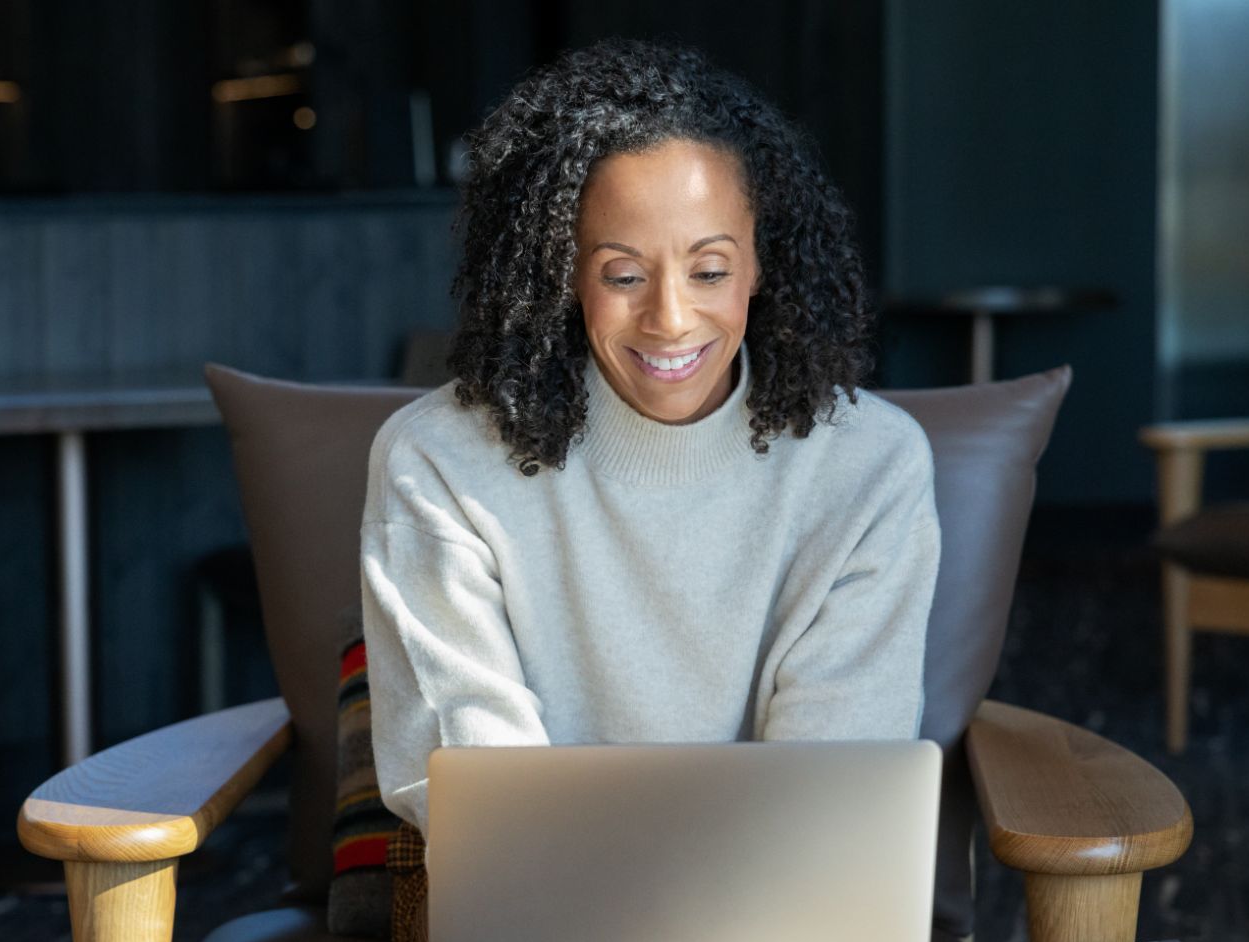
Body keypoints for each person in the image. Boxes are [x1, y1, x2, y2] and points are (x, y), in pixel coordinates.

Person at [363, 39, 940, 838]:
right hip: (538, 909)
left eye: (708, 269)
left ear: (760, 264)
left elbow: (830, 793)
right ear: (562, 272)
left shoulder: (870, 466)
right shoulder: (438, 461)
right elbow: (481, 788)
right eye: (623, 275)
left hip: (770, 911)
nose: (670, 318)